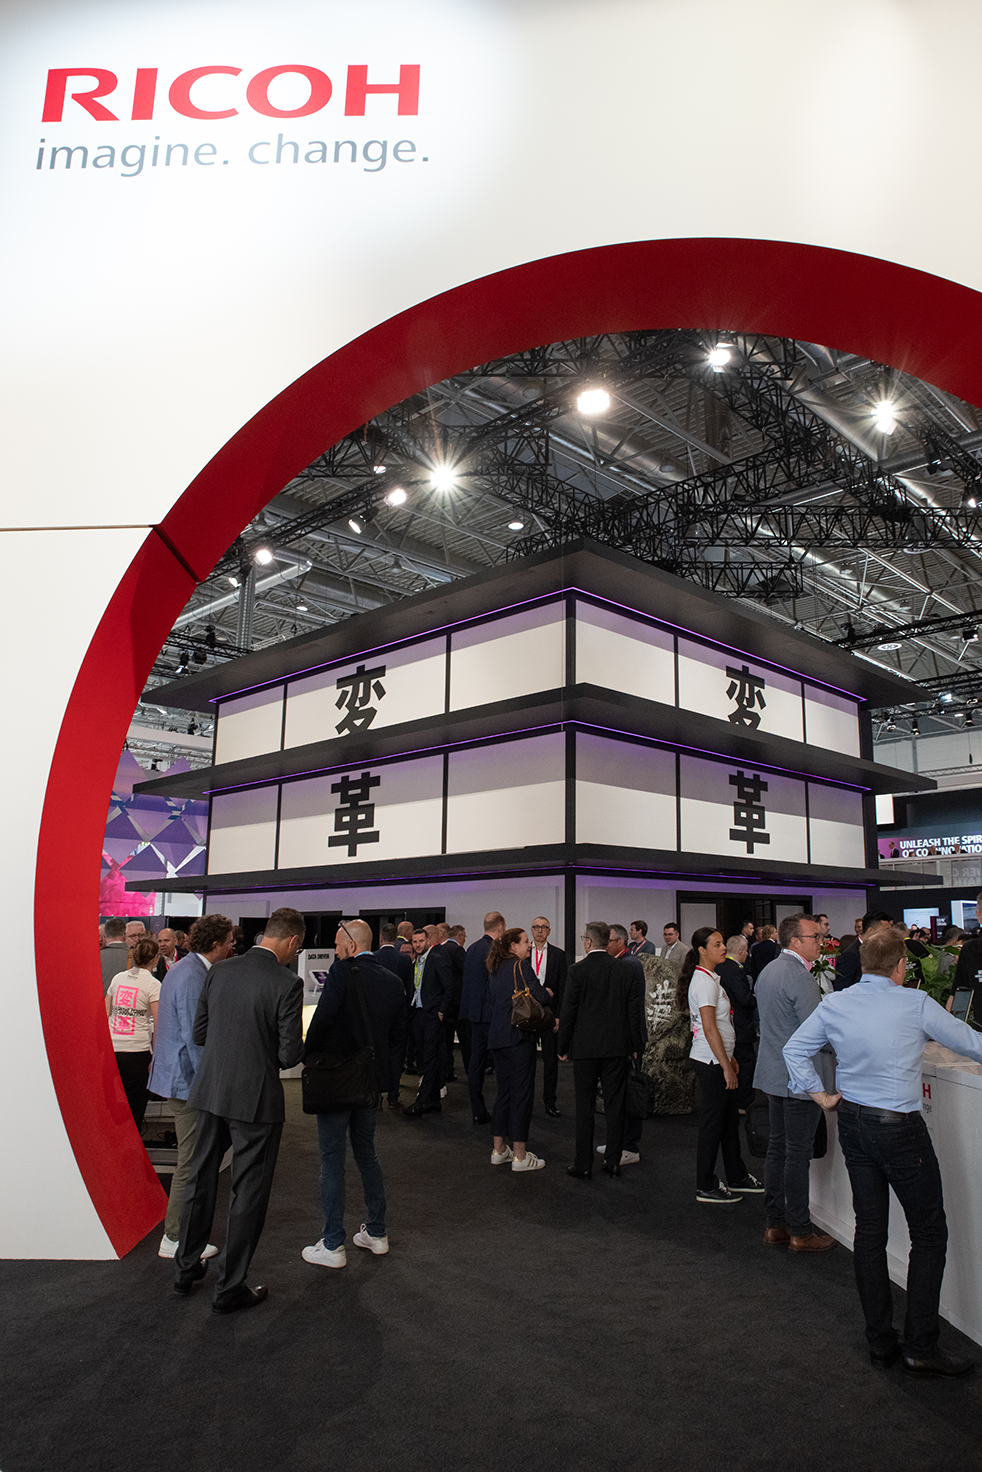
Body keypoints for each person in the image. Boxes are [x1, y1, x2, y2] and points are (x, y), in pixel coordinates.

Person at [784, 926, 982, 1377]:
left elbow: (794, 1050)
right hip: (900, 1131)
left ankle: (881, 1343)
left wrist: (819, 1094)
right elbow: (971, 1043)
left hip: (853, 1122)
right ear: (901, 966)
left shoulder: (837, 1002)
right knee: (929, 1234)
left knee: (870, 1233)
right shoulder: (913, 1002)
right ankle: (920, 1346)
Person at [172, 906, 305, 1314]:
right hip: (256, 1101)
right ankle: (230, 1286)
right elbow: (287, 1055)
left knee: (199, 1178)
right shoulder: (287, 983)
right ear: (294, 942)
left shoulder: (219, 970)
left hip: (210, 1091)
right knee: (247, 1191)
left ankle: (185, 1269)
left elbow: (200, 1033)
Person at [301, 920, 408, 1268]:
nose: (333, 950)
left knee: (332, 1159)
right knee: (367, 1154)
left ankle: (333, 1244)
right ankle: (376, 1232)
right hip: (369, 1084)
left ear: (350, 944)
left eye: (336, 943)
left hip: (335, 1080)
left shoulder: (342, 972)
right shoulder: (393, 982)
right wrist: (385, 1080)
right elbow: (397, 1038)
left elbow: (323, 1019)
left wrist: (305, 1055)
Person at [147, 913, 235, 1259]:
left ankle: (180, 1234)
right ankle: (175, 1237)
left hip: (184, 1080)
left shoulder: (189, 970)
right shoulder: (191, 976)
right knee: (192, 1160)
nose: (233, 946)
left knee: (194, 1158)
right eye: (229, 941)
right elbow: (194, 1037)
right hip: (187, 1083)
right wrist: (211, 1085)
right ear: (215, 944)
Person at [753, 914, 836, 1252]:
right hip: (800, 1077)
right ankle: (801, 1230)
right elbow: (818, 1032)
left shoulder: (768, 971)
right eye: (815, 936)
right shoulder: (799, 976)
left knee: (778, 1149)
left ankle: (775, 1225)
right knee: (796, 1155)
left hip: (774, 1073)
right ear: (795, 940)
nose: (821, 941)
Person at [678, 927, 761, 1204]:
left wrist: (731, 1057)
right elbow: (710, 1028)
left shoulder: (713, 978)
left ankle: (736, 1175)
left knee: (727, 1122)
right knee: (714, 1123)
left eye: (723, 943)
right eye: (717, 944)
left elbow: (722, 1027)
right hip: (710, 1060)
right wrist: (726, 1065)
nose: (723, 947)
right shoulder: (704, 983)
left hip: (718, 1057)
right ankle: (705, 1184)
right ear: (702, 950)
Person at [560, 920, 643, 1179]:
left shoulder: (577, 971)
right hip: (617, 1047)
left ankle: (583, 1163)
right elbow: (633, 1011)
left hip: (585, 1049)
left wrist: (562, 1046)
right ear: (608, 941)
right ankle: (613, 1160)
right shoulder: (624, 970)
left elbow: (569, 1011)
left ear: (587, 941)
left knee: (584, 1107)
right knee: (615, 1104)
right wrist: (634, 1046)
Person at [487, 927, 551, 1171]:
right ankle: (520, 1156)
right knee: (521, 1094)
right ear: (513, 946)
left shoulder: (494, 969)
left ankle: (498, 1149)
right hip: (518, 1036)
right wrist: (549, 993)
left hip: (497, 1037)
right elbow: (540, 996)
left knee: (504, 1092)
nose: (529, 945)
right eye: (525, 942)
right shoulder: (521, 967)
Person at [106, 933, 162, 1129]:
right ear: (155, 958)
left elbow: (106, 1013)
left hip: (113, 1049)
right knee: (134, 1110)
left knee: (113, 1109)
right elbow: (158, 1024)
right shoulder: (154, 985)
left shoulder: (118, 978)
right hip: (137, 1052)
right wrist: (156, 1057)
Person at [403, 925, 454, 1119]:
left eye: (420, 941)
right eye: (414, 942)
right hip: (417, 1015)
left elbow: (450, 987)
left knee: (430, 1058)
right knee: (422, 1056)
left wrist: (441, 1011)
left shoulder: (438, 960)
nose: (417, 945)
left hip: (432, 1015)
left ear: (428, 941)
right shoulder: (414, 963)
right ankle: (433, 1101)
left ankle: (423, 1100)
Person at [459, 911, 505, 1125]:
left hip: (473, 1014)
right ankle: (503, 1109)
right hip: (493, 1016)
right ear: (501, 927)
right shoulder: (497, 950)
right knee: (503, 1063)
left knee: (475, 1063)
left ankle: (478, 1109)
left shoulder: (472, 948)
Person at [529, 915, 567, 1116]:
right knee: (526, 1060)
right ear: (532, 930)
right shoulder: (524, 953)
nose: (540, 930)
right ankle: (525, 1100)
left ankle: (550, 1102)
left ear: (549, 931)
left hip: (550, 1014)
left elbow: (563, 988)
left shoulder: (558, 955)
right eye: (536, 927)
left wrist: (560, 1016)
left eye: (544, 927)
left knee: (550, 1062)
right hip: (527, 1014)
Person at [374, 921, 414, 1105]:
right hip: (398, 1014)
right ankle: (393, 1095)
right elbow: (409, 989)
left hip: (377, 1014)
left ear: (381, 938)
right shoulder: (405, 960)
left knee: (377, 1053)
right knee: (396, 1055)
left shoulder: (373, 958)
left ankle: (376, 1096)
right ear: (395, 938)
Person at [717, 934, 756, 1113]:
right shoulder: (736, 970)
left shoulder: (720, 967)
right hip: (740, 1024)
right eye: (746, 950)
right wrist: (755, 999)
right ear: (741, 951)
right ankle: (743, 1101)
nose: (747, 954)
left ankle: (732, 1099)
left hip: (726, 1023)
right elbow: (744, 999)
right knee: (746, 1063)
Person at [834, 911, 894, 990]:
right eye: (886, 930)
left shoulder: (879, 950)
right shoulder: (851, 955)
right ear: (870, 931)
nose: (889, 934)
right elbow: (842, 988)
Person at [438, 921, 467, 1083]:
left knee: (446, 1040)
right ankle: (471, 1070)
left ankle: (447, 1069)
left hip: (445, 1002)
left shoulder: (441, 950)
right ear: (460, 936)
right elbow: (466, 972)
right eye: (464, 936)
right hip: (458, 1002)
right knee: (465, 1039)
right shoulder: (458, 950)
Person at [100, 916, 130, 993]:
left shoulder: (96, 957)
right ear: (124, 934)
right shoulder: (135, 957)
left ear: (105, 936)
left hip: (101, 1003)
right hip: (126, 1002)